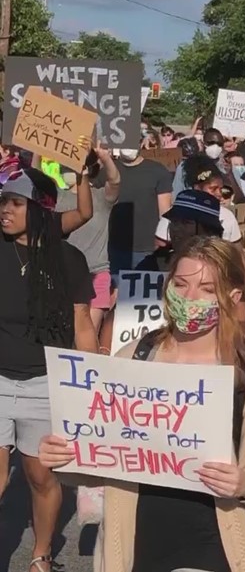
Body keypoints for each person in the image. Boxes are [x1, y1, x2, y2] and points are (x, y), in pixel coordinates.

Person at [39, 236, 245, 572]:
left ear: (231, 297)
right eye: (181, 284)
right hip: (135, 549)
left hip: (214, 549)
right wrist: (63, 458)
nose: (190, 298)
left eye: (206, 288)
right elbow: (97, 459)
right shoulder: (133, 360)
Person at [0, 168, 97, 572]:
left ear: (39, 210)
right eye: (2, 202)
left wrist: (93, 386)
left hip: (46, 383)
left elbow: (81, 326)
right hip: (0, 380)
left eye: (15, 203)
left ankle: (41, 555)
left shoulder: (68, 259)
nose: (4, 210)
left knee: (41, 478)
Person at [54, 146, 121, 347]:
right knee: (62, 338)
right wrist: (38, 151)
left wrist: (105, 157)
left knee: (87, 336)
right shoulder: (57, 196)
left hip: (96, 274)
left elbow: (115, 181)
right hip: (62, 275)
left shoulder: (102, 197)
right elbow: (35, 178)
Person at [109, 146, 174, 272]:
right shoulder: (107, 170)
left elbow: (165, 214)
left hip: (147, 249)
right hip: (114, 248)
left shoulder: (158, 171)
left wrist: (161, 244)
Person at [157, 156, 242, 247]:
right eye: (213, 189)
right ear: (197, 188)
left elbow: (238, 252)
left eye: (221, 189)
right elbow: (159, 248)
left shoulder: (227, 216)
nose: (219, 194)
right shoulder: (174, 216)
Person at [136, 190, 225, 272]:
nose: (176, 228)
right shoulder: (151, 266)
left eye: (186, 222)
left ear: (208, 231)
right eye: (174, 221)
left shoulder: (225, 269)